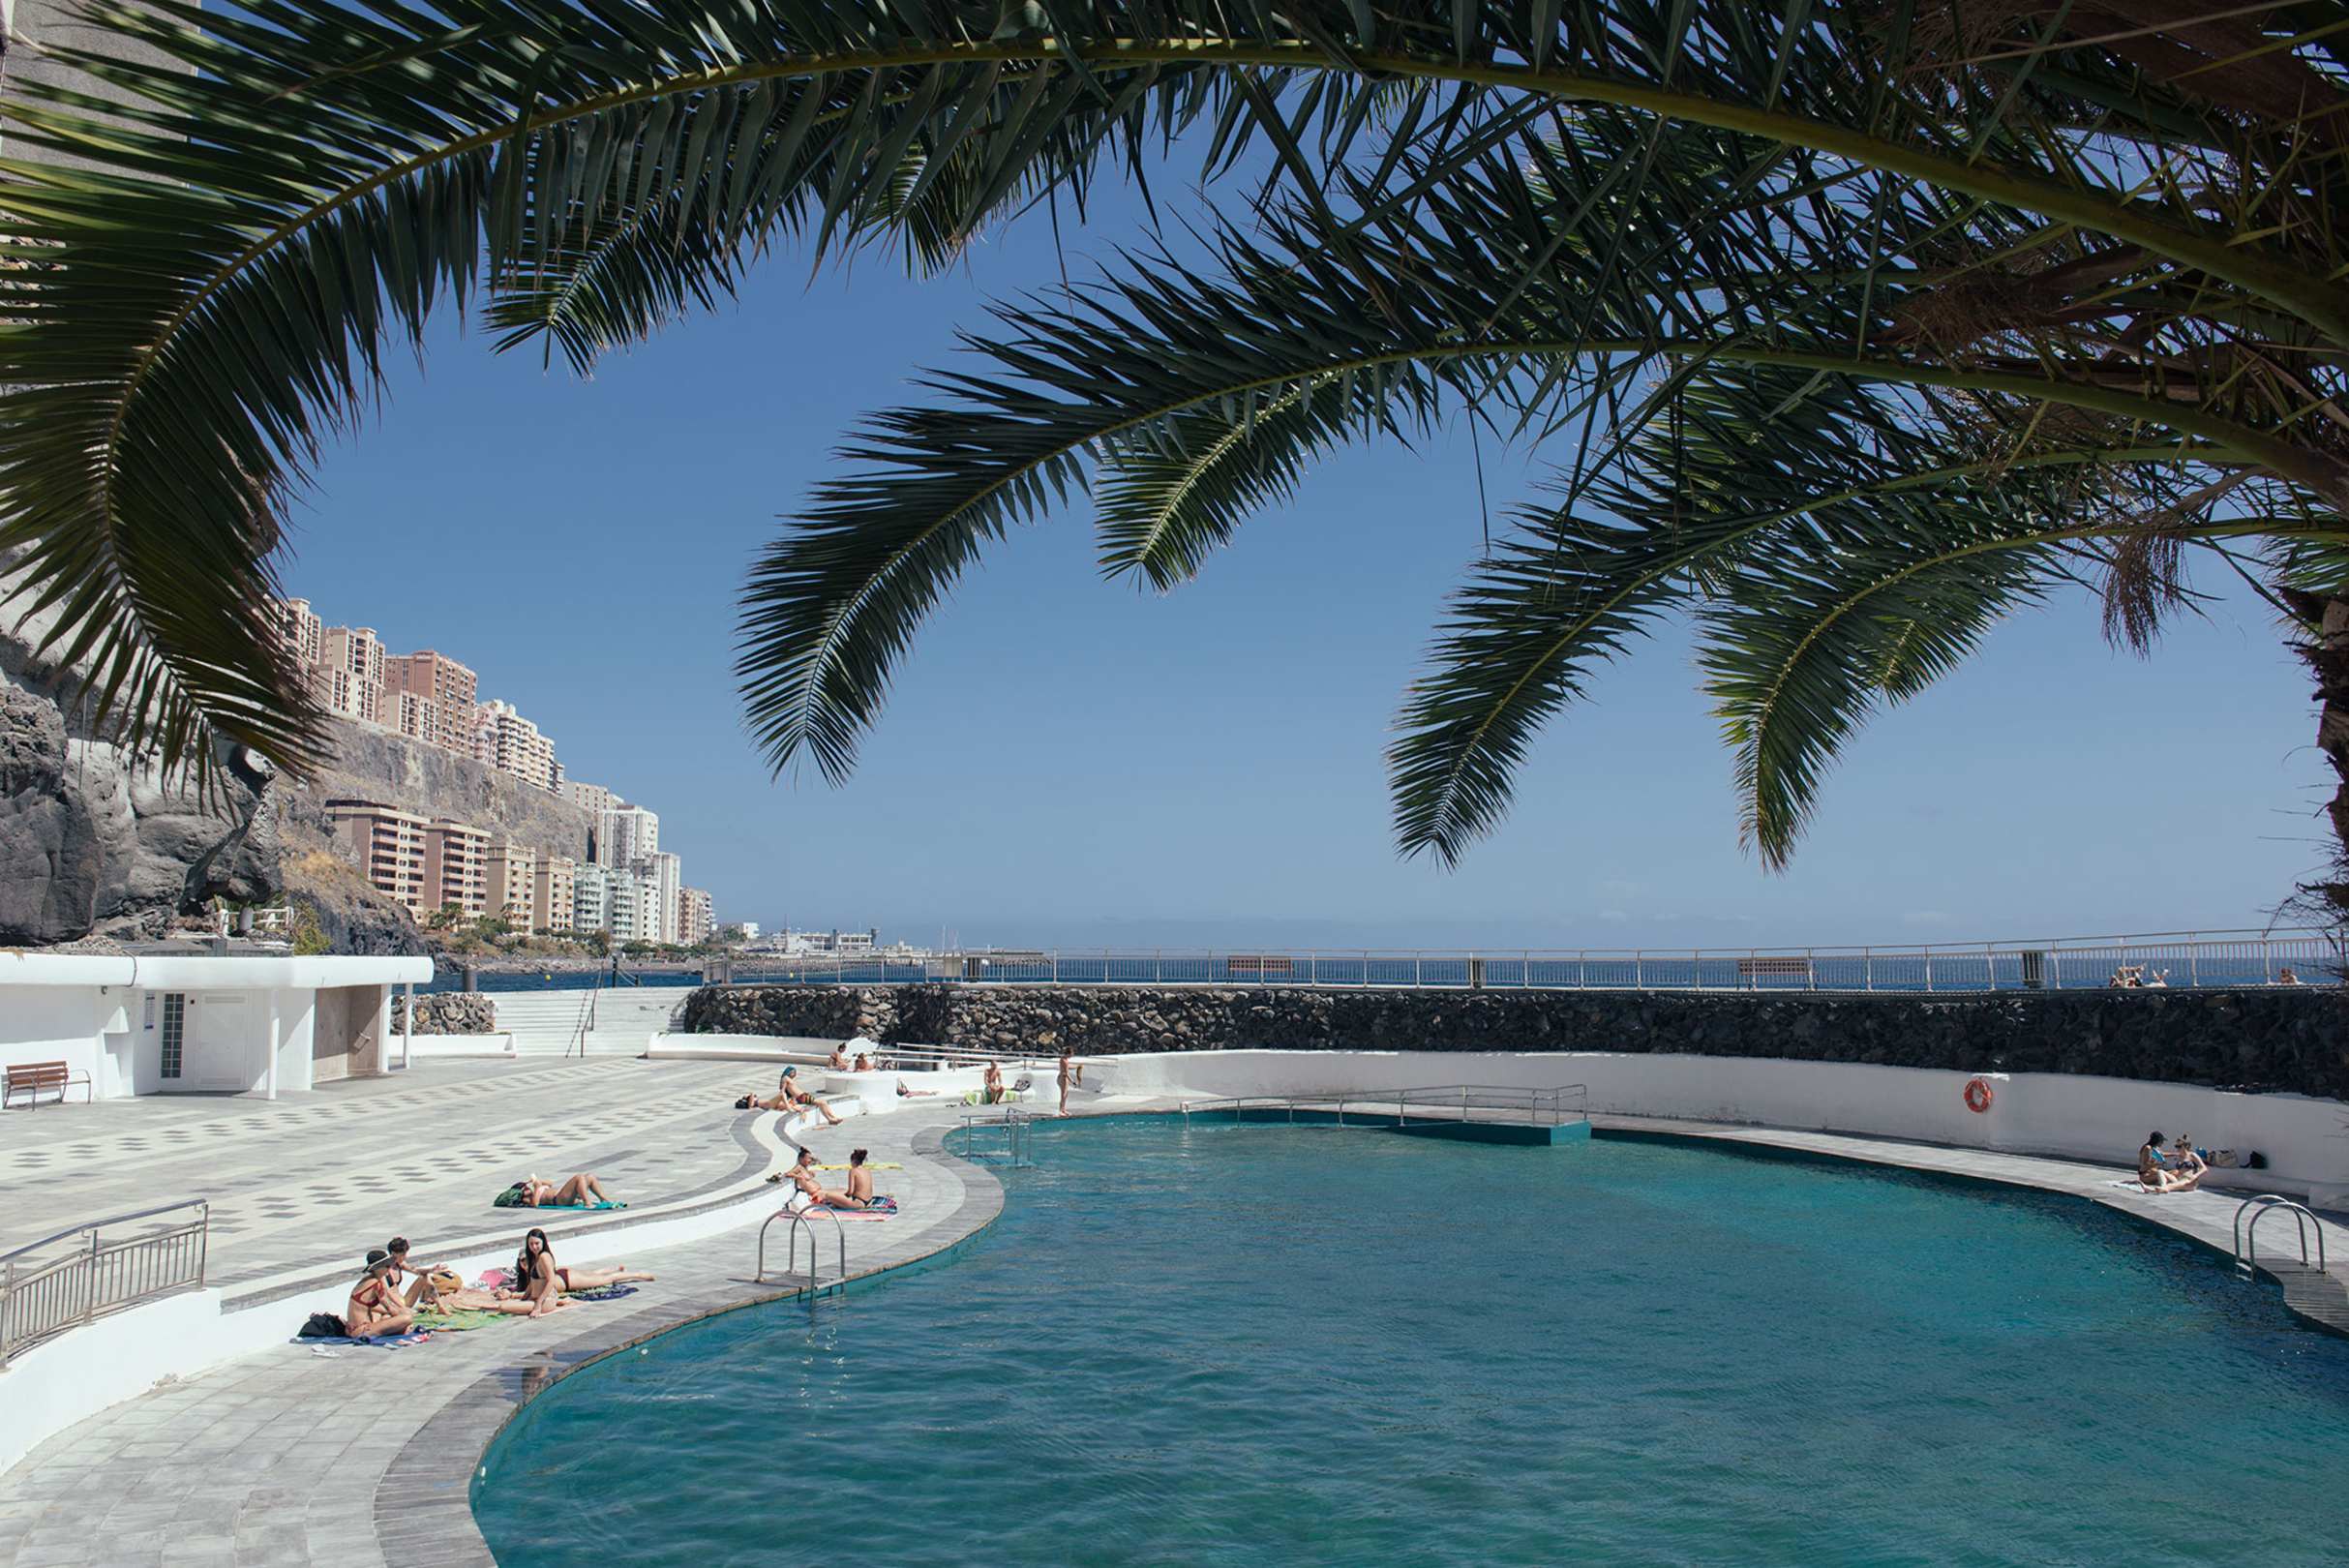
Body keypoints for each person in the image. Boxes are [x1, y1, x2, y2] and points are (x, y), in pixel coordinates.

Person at [346, 1251, 416, 1337]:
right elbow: (391, 1308)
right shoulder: (376, 1283)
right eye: (387, 1266)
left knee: (387, 1317)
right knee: (407, 1318)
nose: (389, 1269)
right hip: (362, 1330)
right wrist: (408, 1314)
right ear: (378, 1268)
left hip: (351, 1329)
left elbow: (370, 1307)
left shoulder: (365, 1280)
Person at [381, 1235, 444, 1310]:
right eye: (402, 1255)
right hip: (392, 1305)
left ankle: (440, 1306)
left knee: (424, 1276)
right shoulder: (383, 1269)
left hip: (403, 1301)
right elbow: (386, 1292)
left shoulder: (399, 1264)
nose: (405, 1257)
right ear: (393, 1253)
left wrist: (432, 1269)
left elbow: (415, 1270)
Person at [2137, 1131, 2202, 1192]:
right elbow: (2144, 1166)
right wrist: (2158, 1164)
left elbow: (2162, 1154)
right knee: (2167, 1174)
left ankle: (2166, 1186)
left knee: (2175, 1172)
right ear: (2157, 1141)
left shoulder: (2155, 1148)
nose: (2162, 1143)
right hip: (2146, 1175)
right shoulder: (2148, 1148)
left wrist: (2176, 1154)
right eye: (2162, 1141)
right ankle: (2165, 1187)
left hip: (2154, 1173)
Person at [513, 1172, 615, 1207]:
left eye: (527, 1186)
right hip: (558, 1199)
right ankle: (587, 1202)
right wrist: (536, 1188)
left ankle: (603, 1198)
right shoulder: (527, 1199)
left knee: (589, 1177)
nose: (528, 1188)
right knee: (578, 1177)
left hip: (564, 1194)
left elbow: (550, 1183)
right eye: (525, 1188)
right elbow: (535, 1204)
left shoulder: (536, 1188)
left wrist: (538, 1181)